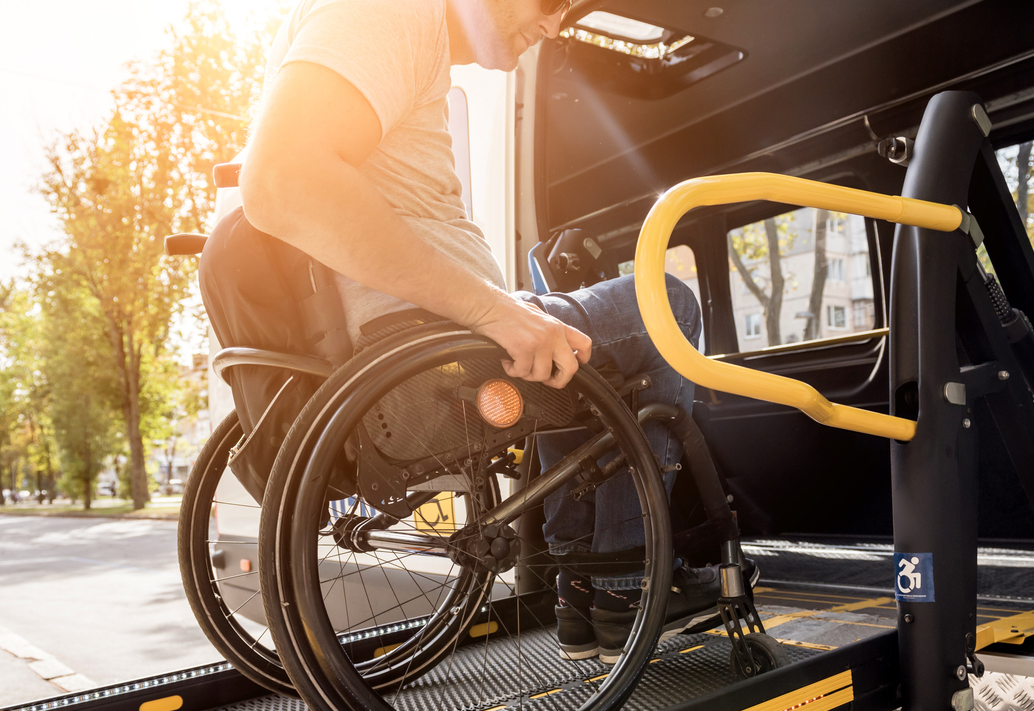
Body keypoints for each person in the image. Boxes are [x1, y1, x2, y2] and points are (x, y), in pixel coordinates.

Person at [218, 0, 734, 663]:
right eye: (551, 3)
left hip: (434, 335)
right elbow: (282, 179)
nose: (553, 26)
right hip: (437, 347)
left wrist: (507, 310)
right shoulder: (391, 15)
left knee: (571, 346)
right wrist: (496, 312)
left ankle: (586, 591)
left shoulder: (410, 43)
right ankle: (626, 585)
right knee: (668, 303)